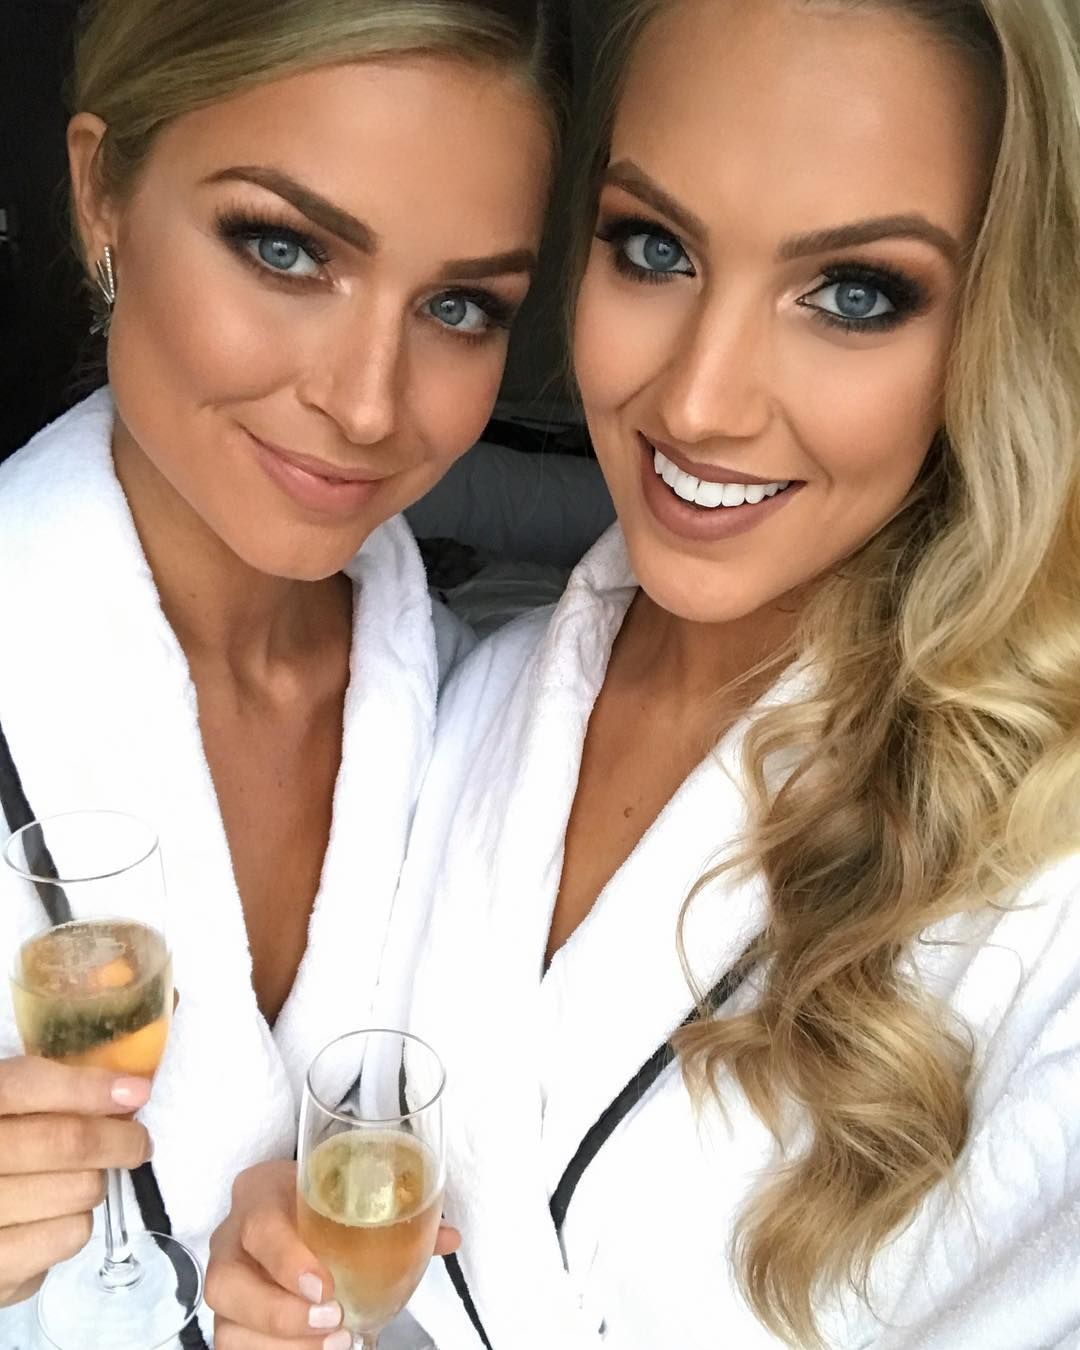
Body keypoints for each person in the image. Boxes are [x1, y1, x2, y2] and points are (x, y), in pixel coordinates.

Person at [204, 0, 1080, 1346]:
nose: (697, 400)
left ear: (1000, 330)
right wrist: (298, 1252)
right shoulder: (481, 701)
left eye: (854, 293)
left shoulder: (1047, 878)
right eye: (655, 248)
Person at [0, 1, 558, 1344]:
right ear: (101, 195)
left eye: (460, 307)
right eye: (285, 248)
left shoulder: (471, 716)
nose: (367, 402)